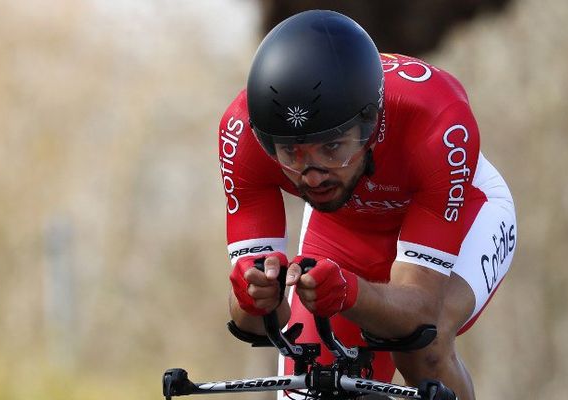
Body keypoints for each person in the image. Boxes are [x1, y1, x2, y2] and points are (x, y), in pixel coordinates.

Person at [220, 9, 516, 400]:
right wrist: (252, 294)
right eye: (291, 153)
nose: (312, 175)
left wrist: (351, 293)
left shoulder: (438, 121)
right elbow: (256, 325)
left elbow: (419, 312)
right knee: (309, 380)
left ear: (372, 124)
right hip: (345, 226)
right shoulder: (242, 140)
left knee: (422, 349)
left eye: (332, 147)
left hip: (463, 210)